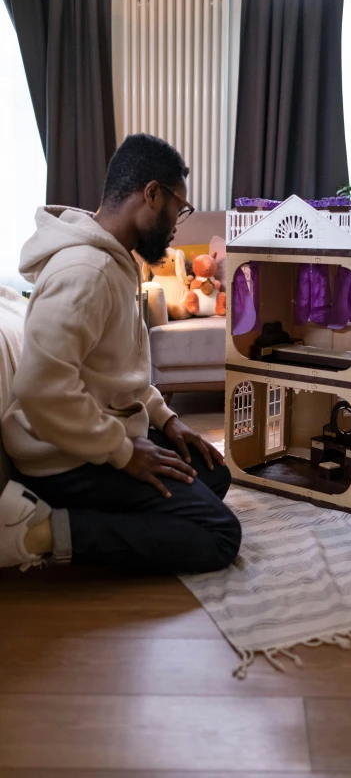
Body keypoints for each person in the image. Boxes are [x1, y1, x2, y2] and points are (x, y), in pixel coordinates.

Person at [0, 134, 241, 574]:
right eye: (178, 208)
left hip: (98, 437)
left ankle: (127, 509)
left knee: (213, 474)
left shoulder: (117, 262)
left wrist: (166, 419)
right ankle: (38, 530)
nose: (177, 224)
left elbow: (116, 372)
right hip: (62, 457)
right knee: (219, 535)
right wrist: (126, 453)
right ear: (151, 194)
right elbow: (38, 388)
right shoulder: (85, 272)